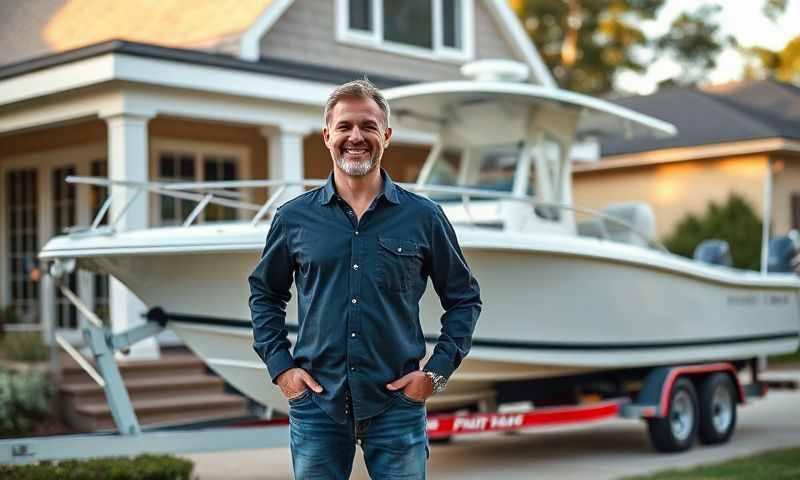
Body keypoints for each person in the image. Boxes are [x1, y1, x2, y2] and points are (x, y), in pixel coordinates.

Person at [249, 79, 481, 479]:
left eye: (368, 126)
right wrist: (281, 369)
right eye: (345, 127)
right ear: (327, 136)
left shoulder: (424, 218)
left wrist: (435, 376)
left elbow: (464, 299)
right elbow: (265, 294)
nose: (356, 137)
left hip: (398, 407)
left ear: (386, 136)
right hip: (317, 406)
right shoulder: (292, 219)